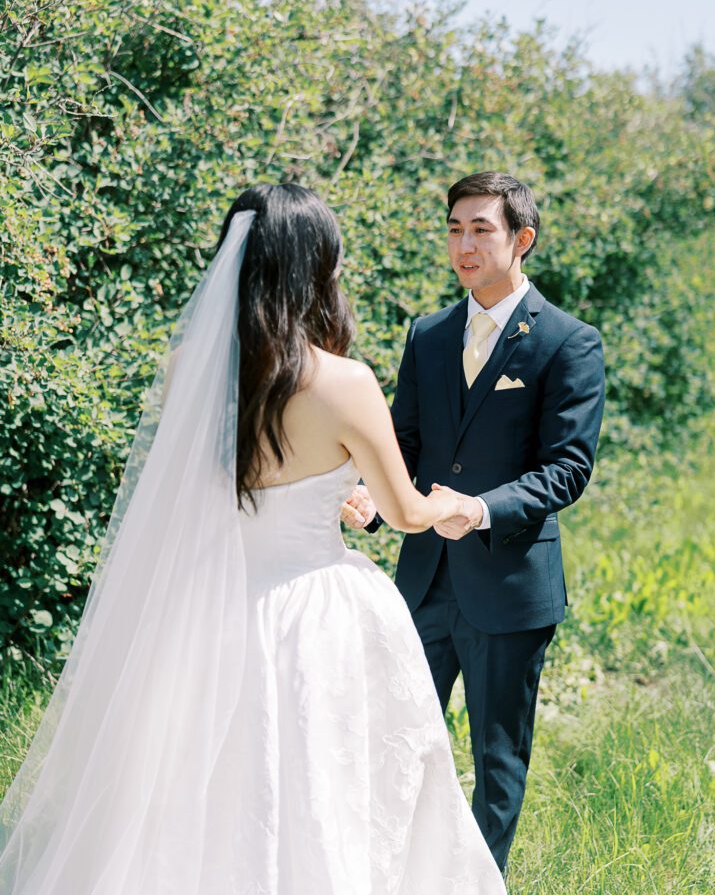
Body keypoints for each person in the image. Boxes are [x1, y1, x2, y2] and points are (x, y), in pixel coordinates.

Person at [0, 184, 506, 894]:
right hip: (313, 611)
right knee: (318, 786)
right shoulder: (343, 382)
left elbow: (203, 495)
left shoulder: (191, 372)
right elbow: (402, 511)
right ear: (314, 268)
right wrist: (447, 505)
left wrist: (332, 497)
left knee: (207, 790)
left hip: (207, 609)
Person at [344, 171, 606, 876]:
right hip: (423, 581)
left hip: (508, 587)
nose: (463, 243)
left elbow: (565, 470)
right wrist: (373, 497)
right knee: (398, 741)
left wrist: (479, 509)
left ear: (521, 239)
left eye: (480, 229)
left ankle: (479, 884)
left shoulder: (567, 342)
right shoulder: (427, 334)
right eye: (454, 228)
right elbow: (401, 442)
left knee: (496, 761)